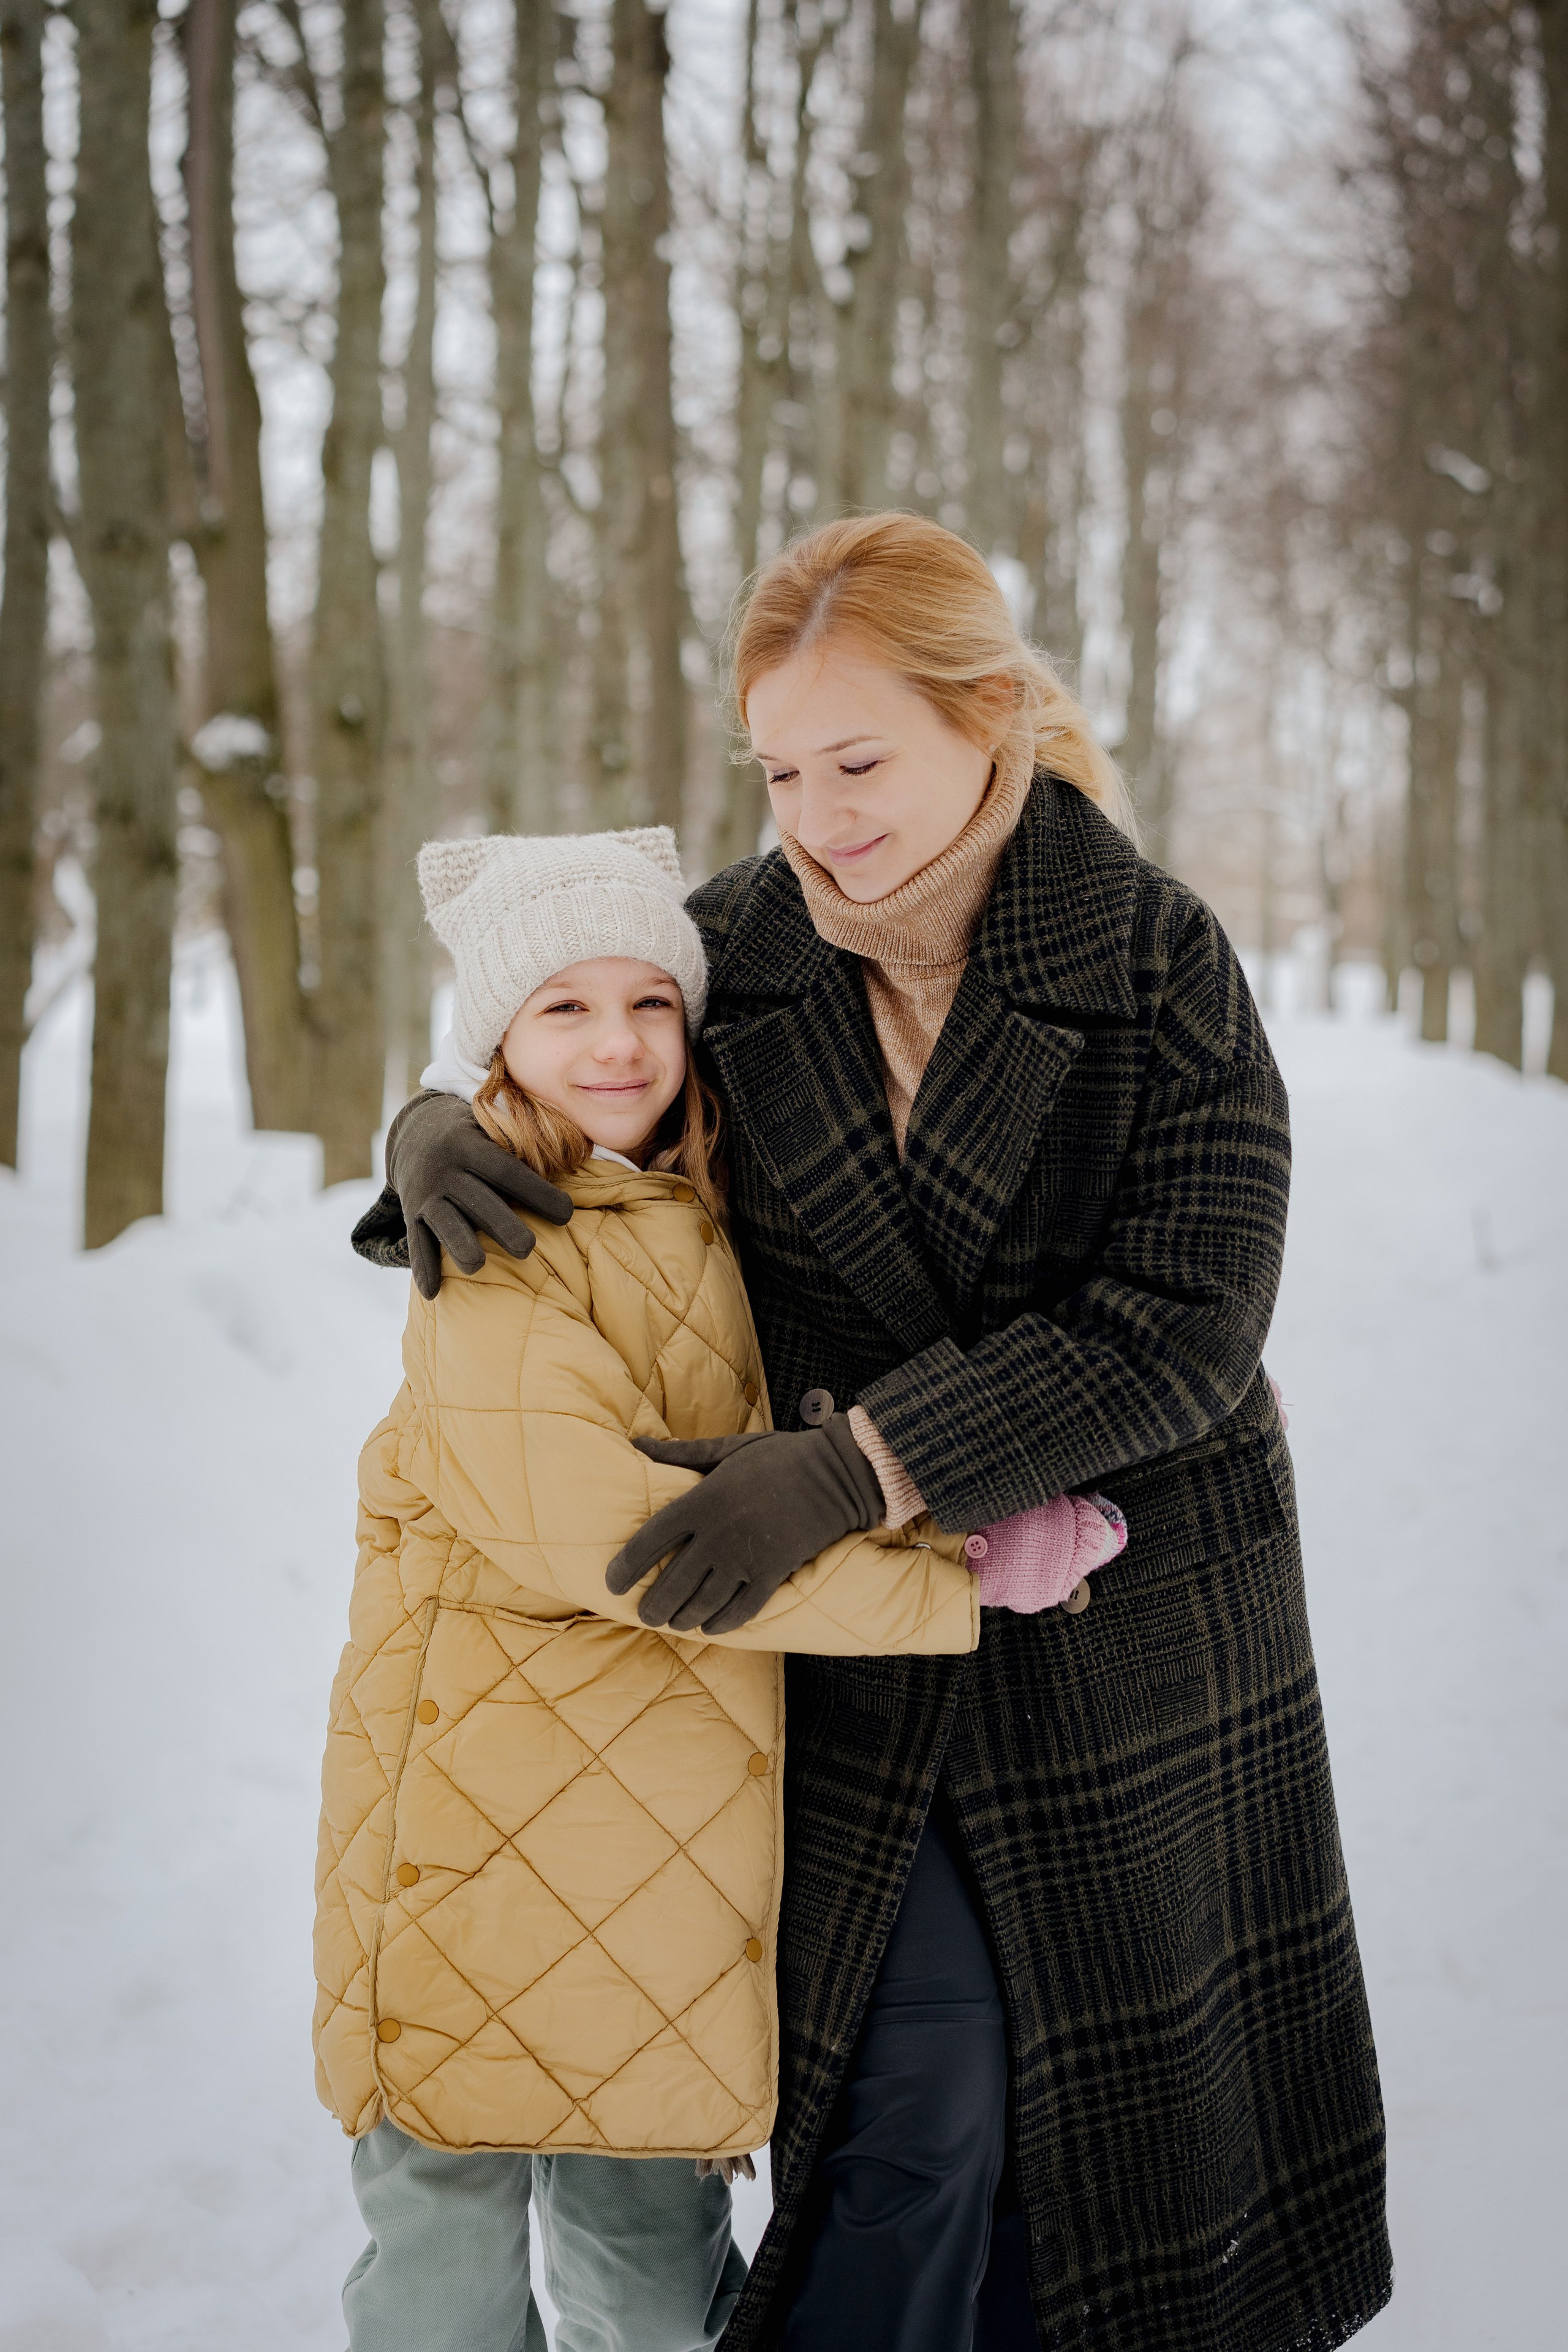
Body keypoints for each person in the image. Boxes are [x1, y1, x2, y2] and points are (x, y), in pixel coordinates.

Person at [355, 514, 1392, 2352]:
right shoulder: (739, 946)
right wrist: (432, 1118)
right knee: (917, 2115)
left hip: (1122, 1625)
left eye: (860, 761)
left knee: (1113, 2164)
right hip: (847, 1625)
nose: (820, 817)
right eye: (778, 770)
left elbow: (1189, 1329)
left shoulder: (1155, 958)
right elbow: (578, 1025)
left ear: (987, 717)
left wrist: (863, 1461)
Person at [318, 822, 1119, 2352]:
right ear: (495, 1032)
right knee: (444, 2265)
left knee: (651, 2278)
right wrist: (951, 1569)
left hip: (667, 1858)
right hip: (475, 1844)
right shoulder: (489, 1250)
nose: (617, 1044)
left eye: (649, 1004)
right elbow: (623, 1546)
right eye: (562, 1008)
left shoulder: (700, 1195)